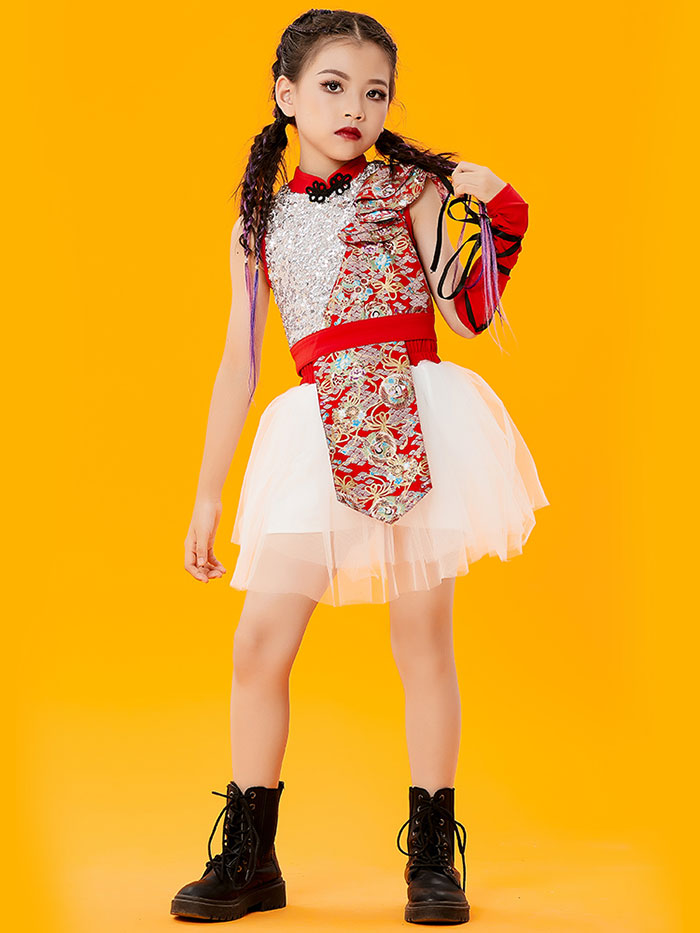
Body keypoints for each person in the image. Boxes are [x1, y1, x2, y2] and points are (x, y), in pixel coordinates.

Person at [171, 7, 550, 926]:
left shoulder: (409, 192)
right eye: (334, 86)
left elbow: (466, 315)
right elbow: (238, 364)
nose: (356, 108)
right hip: (314, 430)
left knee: (421, 640)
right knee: (259, 643)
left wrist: (495, 207)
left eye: (375, 92)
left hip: (411, 417)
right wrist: (208, 493)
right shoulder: (257, 222)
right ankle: (251, 856)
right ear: (286, 92)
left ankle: (433, 856)